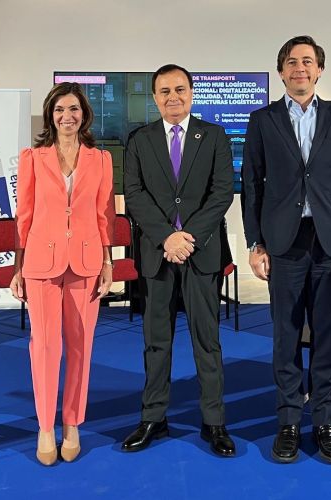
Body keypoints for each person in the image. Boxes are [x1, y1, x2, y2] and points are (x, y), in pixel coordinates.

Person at [241, 35, 331, 464]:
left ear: (319, 70)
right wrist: (255, 242)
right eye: (292, 62)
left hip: (330, 241)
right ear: (281, 71)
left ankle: (326, 423)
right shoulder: (262, 120)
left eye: (308, 61)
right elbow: (251, 184)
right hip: (283, 242)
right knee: (286, 335)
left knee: (327, 335)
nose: (300, 68)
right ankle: (289, 422)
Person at [121, 64, 236, 457]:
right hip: (157, 254)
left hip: (201, 252)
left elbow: (222, 192)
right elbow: (134, 193)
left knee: (208, 341)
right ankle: (153, 417)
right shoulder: (140, 140)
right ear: (155, 97)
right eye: (165, 91)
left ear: (192, 93)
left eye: (180, 89)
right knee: (156, 342)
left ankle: (214, 421)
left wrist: (187, 238)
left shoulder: (214, 136)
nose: (173, 97)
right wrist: (166, 237)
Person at [9, 82, 115, 466]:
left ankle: (72, 422)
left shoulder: (100, 159)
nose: (66, 116)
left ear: (84, 114)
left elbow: (104, 215)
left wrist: (108, 263)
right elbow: (24, 215)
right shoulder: (32, 158)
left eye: (73, 109)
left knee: (80, 345)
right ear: (50, 116)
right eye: (59, 110)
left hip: (86, 261)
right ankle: (44, 425)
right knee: (44, 345)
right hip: (41, 262)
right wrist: (19, 267)